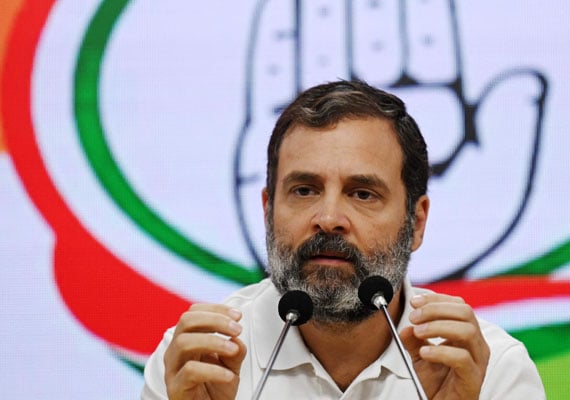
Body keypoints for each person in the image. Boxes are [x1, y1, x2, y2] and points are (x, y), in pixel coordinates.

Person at [141, 80, 545, 399]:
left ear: (416, 222)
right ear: (267, 210)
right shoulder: (198, 362)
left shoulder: (487, 369)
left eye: (362, 193)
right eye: (304, 190)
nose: (329, 219)